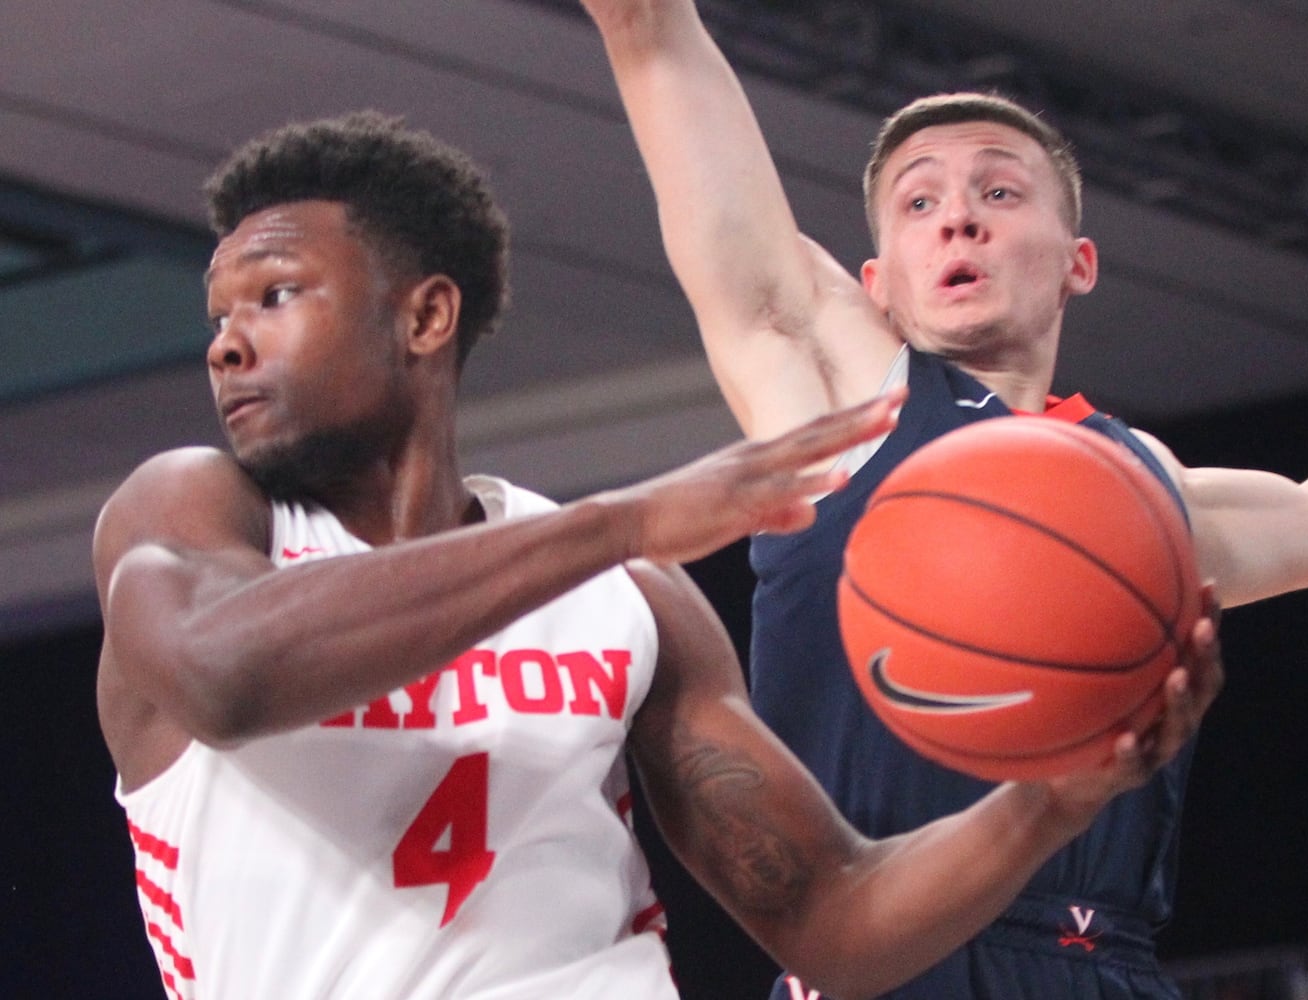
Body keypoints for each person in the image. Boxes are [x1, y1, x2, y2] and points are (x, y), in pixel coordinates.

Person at [91, 111, 1220, 1000]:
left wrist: (1049, 802)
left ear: (425, 318)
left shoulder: (629, 601)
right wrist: (619, 521)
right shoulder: (190, 511)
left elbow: (832, 913)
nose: (227, 341)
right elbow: (225, 676)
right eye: (218, 312)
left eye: (276, 294)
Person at [579, 1, 1308, 998]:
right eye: (918, 203)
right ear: (878, 286)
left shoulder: (1135, 486)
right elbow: (668, 70)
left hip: (1104, 968)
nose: (957, 214)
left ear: (1077, 263)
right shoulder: (838, 390)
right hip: (882, 950)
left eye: (999, 190)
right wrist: (640, 23)